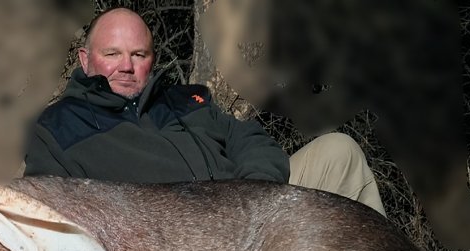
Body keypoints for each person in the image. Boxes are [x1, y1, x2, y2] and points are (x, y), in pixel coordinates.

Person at [24, 7, 386, 216]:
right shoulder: (57, 129)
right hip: (185, 248)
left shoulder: (184, 100)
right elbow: (44, 210)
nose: (126, 66)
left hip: (255, 212)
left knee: (340, 152)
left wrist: (253, 190)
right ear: (86, 60)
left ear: (152, 60)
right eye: (112, 54)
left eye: (138, 55)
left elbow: (249, 138)